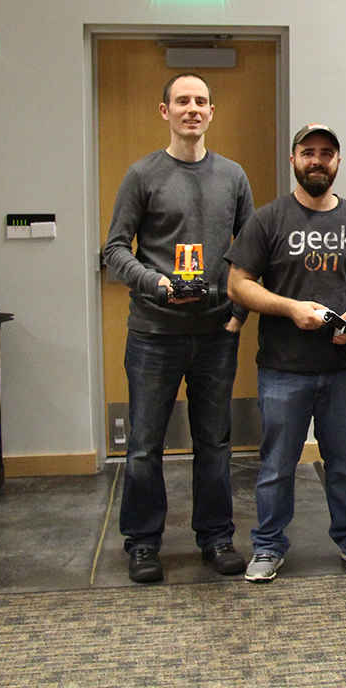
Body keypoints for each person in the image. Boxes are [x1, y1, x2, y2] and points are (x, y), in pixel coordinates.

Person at [225, 124, 346, 582]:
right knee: (277, 465)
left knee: (345, 464)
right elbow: (237, 284)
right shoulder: (267, 220)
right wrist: (290, 309)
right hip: (284, 369)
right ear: (293, 160)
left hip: (344, 369)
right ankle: (267, 546)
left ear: (338, 162)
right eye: (308, 152)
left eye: (326, 153)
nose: (316, 160)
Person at [103, 73, 253, 583]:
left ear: (212, 112)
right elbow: (114, 250)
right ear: (164, 110)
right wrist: (154, 284)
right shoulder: (141, 174)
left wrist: (238, 314)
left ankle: (215, 537)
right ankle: (143, 543)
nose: (193, 109)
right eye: (182, 101)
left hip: (215, 335)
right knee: (145, 445)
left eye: (202, 102)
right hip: (153, 334)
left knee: (214, 442)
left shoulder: (233, 176)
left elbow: (250, 254)